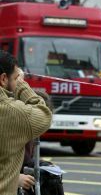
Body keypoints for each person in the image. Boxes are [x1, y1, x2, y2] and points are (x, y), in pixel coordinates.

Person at [0, 50, 52, 195]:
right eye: (15, 78)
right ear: (3, 79)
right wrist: (22, 85)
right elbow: (44, 114)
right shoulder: (11, 111)